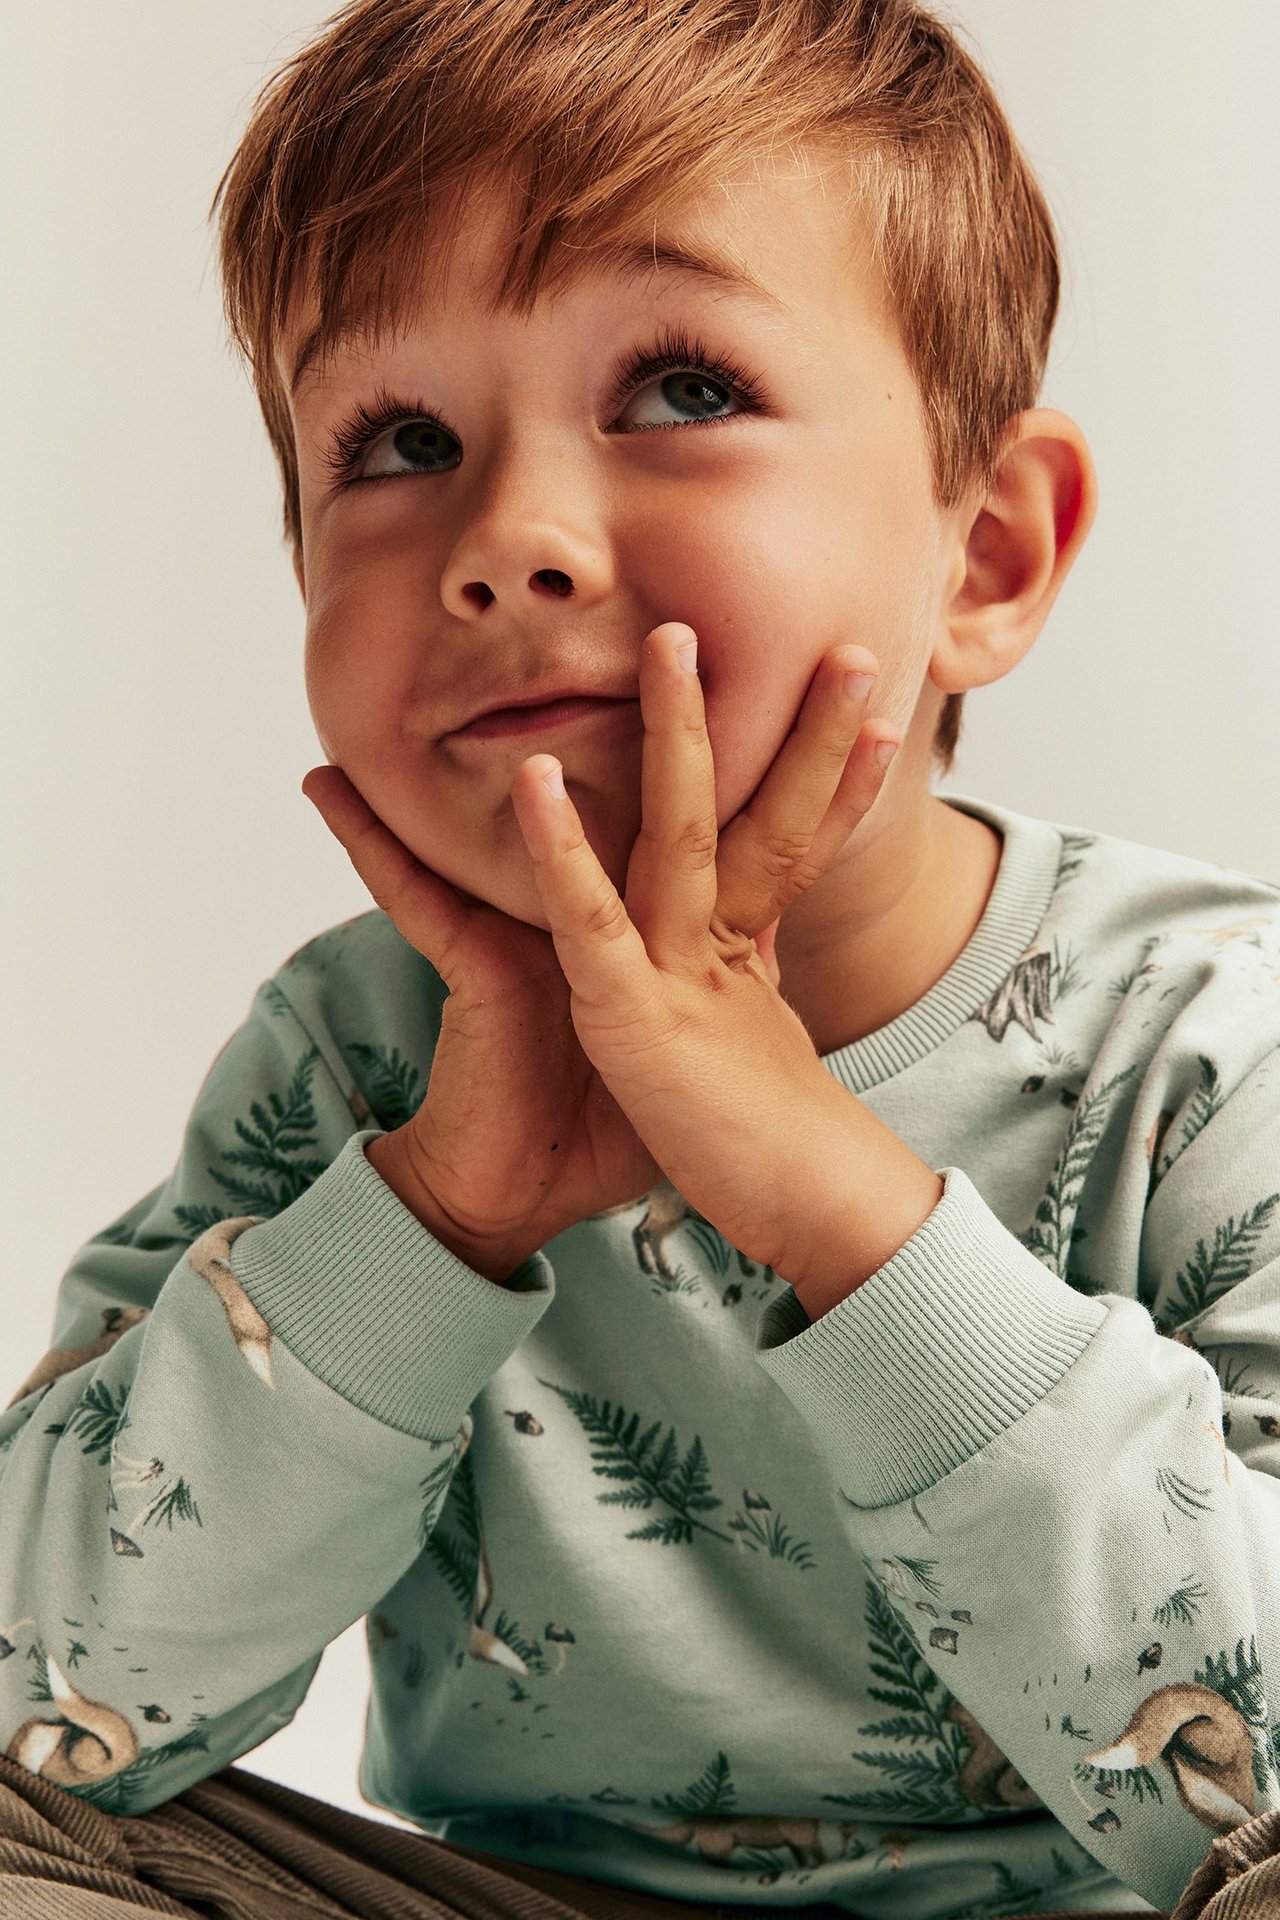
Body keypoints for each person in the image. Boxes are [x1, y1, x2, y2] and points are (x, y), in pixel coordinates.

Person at [1, 0, 1278, 1916]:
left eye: (681, 390)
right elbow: (54, 1707)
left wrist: (841, 1205)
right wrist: (433, 1214)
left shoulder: (1204, 1047)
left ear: (988, 555)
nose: (509, 540)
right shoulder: (355, 1061)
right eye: (402, 439)